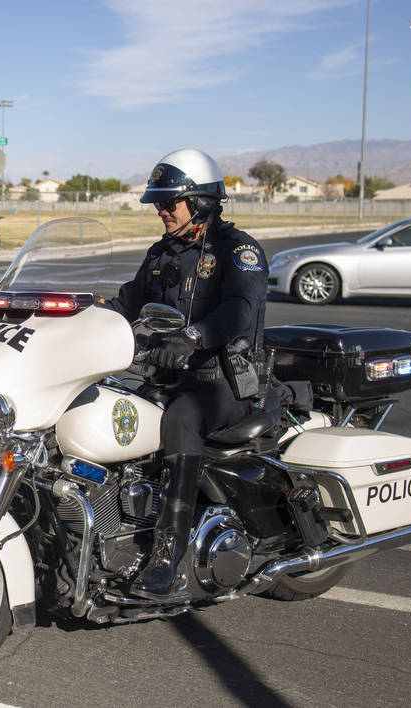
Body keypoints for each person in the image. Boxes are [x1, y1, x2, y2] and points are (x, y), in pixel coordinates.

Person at [107, 148, 268, 601]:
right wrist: (77, 318)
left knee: (182, 420)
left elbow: (241, 309)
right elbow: (126, 303)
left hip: (224, 381)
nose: (161, 211)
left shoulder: (237, 250)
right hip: (168, 376)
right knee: (113, 407)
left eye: (169, 203)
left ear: (198, 203)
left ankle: (167, 554)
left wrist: (194, 337)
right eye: (158, 203)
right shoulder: (162, 254)